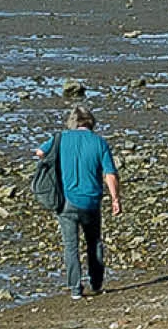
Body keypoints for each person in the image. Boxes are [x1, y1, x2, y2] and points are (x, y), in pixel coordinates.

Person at [41, 105, 122, 296]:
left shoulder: (60, 139)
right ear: (91, 123)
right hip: (91, 201)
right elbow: (110, 174)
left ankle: (75, 289)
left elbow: (40, 152)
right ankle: (96, 283)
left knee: (71, 246)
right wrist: (115, 199)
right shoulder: (99, 143)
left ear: (73, 122)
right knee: (94, 242)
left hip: (66, 201)